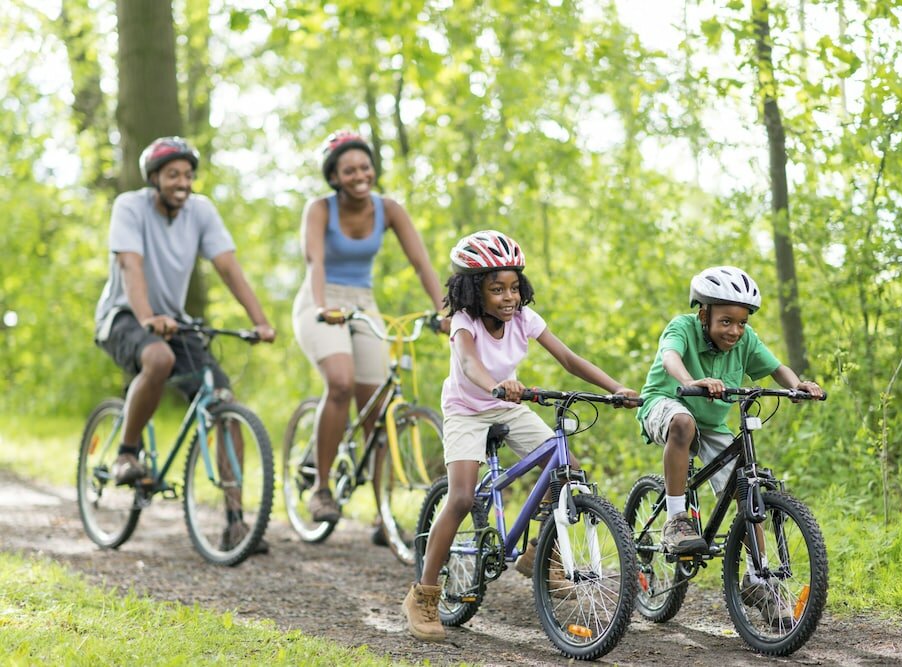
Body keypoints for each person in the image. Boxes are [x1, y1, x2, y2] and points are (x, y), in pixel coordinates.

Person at [401, 229, 639, 641]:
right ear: (474, 291)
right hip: (466, 409)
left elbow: (567, 358)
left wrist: (614, 388)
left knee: (567, 469)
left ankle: (541, 556)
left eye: (514, 287)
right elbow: (470, 364)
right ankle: (423, 594)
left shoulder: (525, 318)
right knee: (460, 497)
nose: (509, 297)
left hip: (508, 405)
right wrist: (495, 383)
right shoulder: (463, 322)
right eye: (497, 289)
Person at [94, 136, 277, 552]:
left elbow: (228, 266)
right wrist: (146, 318)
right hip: (123, 315)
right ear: (154, 178)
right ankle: (126, 452)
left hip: (174, 322)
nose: (183, 182)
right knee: (156, 358)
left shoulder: (201, 211)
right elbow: (130, 265)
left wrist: (260, 321)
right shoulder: (130, 206)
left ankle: (235, 523)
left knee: (224, 402)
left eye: (189, 175)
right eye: (173, 174)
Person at [636, 265, 823, 621]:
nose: (735, 330)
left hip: (709, 422)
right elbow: (669, 357)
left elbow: (776, 367)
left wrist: (797, 383)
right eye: (725, 321)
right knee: (682, 422)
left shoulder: (746, 340)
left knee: (746, 489)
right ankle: (676, 520)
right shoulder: (682, 327)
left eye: (741, 322)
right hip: (665, 403)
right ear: (703, 314)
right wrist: (694, 380)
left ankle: (757, 578)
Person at [292, 130, 448, 527]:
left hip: (363, 301)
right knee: (341, 383)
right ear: (334, 177)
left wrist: (445, 311)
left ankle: (383, 512)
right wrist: (324, 305)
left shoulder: (389, 209)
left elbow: (421, 263)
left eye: (365, 167)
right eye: (349, 170)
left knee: (376, 407)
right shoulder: (320, 209)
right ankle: (321, 488)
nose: (359, 175)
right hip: (321, 298)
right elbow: (315, 261)